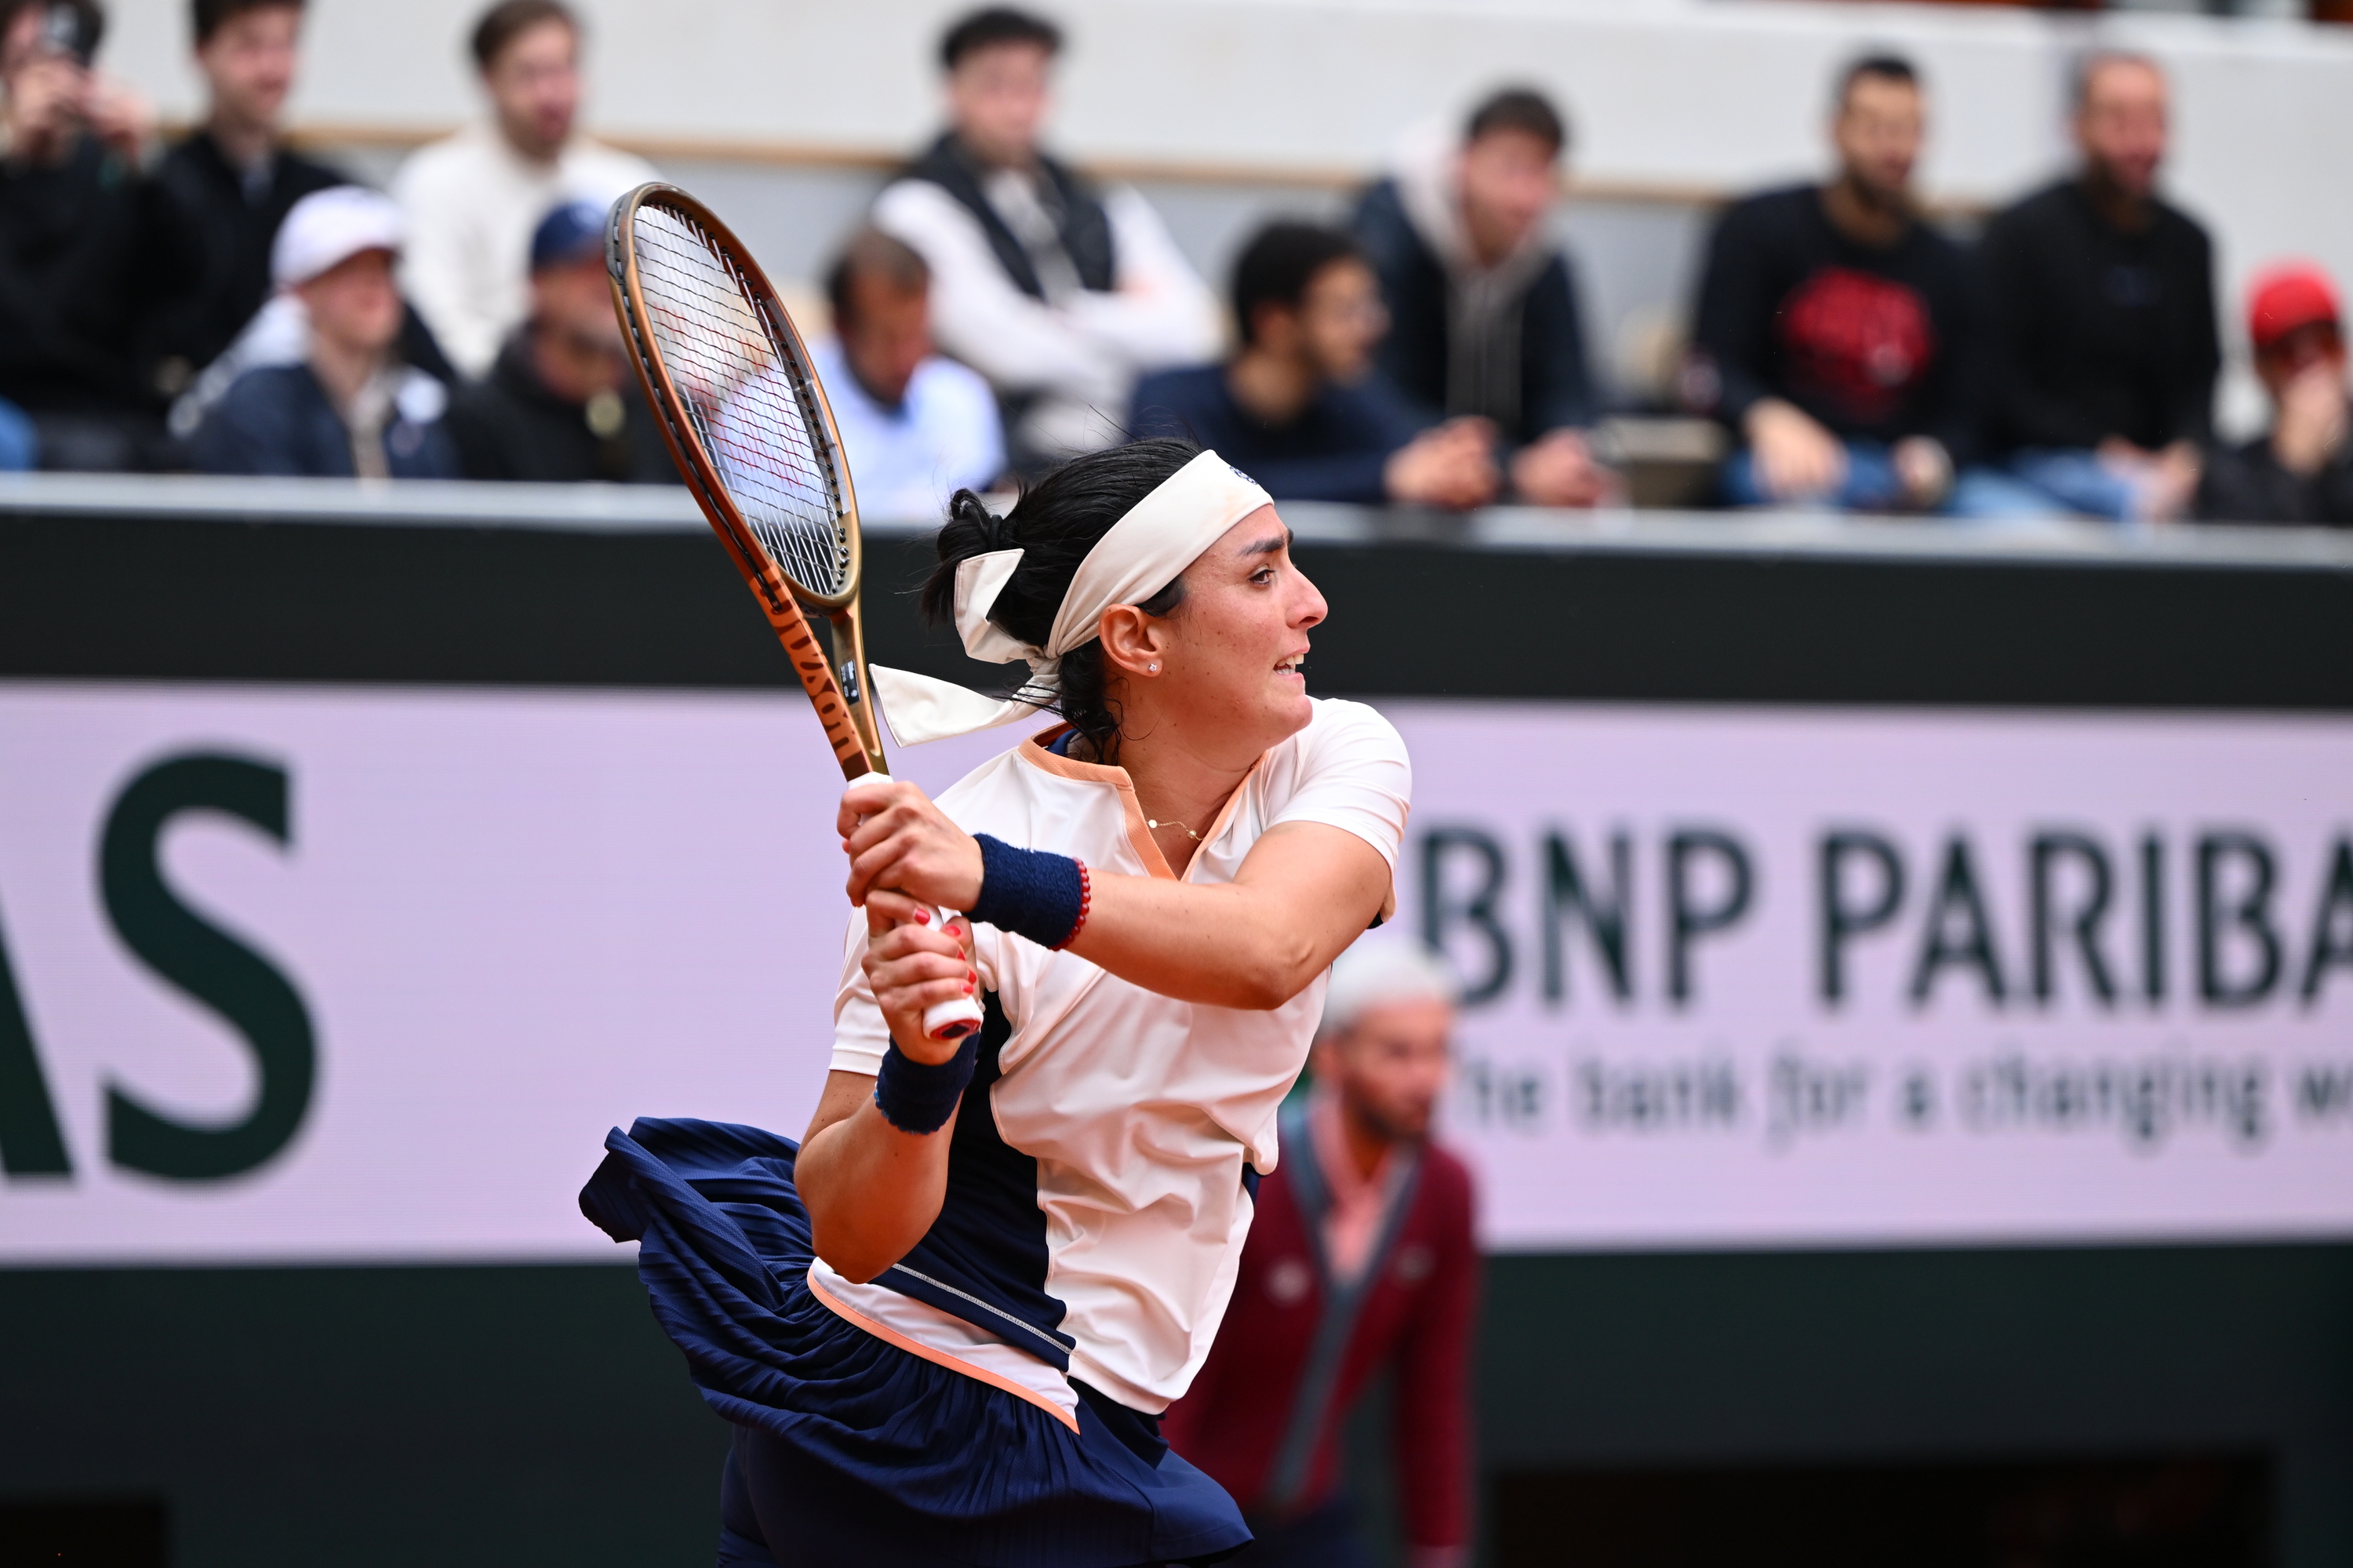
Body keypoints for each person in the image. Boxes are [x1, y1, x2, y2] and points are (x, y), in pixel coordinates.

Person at [581, 438, 1413, 1566]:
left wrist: (988, 879)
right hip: (927, 1425)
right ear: (1135, 636)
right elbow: (846, 1225)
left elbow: (1270, 948)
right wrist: (921, 1083)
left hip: (1064, 1425)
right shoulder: (962, 846)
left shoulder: (1334, 750)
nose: (1310, 604)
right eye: (1262, 576)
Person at [1164, 940, 1478, 1568]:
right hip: (1194, 1515)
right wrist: (1158, 1533)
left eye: (1439, 1051)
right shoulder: (1255, 1170)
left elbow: (1431, 1395)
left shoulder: (1445, 1191)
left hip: (1312, 1518)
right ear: (1332, 1056)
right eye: (1398, 1051)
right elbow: (1178, 1378)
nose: (1425, 1077)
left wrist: (1439, 1552)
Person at [871, 7, 1219, 474]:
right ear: (953, 92)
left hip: (1132, 453)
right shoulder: (916, 209)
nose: (1017, 108)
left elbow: (1193, 331)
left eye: (1032, 86)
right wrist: (1132, 334)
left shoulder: (1099, 202)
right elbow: (1005, 352)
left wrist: (1069, 315)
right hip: (1002, 465)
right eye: (996, 87)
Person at [1687, 54, 2017, 517]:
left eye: (1910, 129)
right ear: (1834, 129)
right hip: (1789, 466)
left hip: (1907, 478)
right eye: (1874, 127)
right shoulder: (1759, 229)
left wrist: (1938, 456)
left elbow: (1977, 407)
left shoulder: (1954, 266)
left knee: (2023, 530)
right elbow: (1705, 369)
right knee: (1808, 534)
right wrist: (1764, 418)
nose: (1894, 148)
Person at [1977, 51, 2220, 523]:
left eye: (2155, 120)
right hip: (2040, 463)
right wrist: (2105, 452)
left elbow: (2203, 377)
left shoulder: (2189, 244)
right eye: (2119, 120)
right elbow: (2000, 388)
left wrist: (2187, 452)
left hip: (2158, 471)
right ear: (2076, 126)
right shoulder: (2021, 235)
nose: (2140, 141)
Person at [1351, 88, 1609, 508]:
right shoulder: (1385, 244)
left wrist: (1567, 450)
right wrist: (1514, 467)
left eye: (1544, 171)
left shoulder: (1545, 260)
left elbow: (1570, 385)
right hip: (1394, 488)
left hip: (1509, 488)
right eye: (1512, 167)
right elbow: (1369, 394)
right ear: (1464, 162)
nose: (1528, 196)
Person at [1129, 222, 1499, 509]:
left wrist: (1460, 464)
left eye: (1371, 305)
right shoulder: (1168, 398)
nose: (1374, 325)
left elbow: (1413, 458)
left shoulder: (1353, 399)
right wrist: (1384, 478)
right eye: (1346, 311)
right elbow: (1195, 495)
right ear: (1274, 323)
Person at [391, 0, 654, 379]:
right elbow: (438, 327)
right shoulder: (435, 182)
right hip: (488, 408)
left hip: (621, 400)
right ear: (487, 80)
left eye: (563, 70)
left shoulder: (627, 183)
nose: (552, 95)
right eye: (529, 74)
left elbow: (680, 324)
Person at [141, 0, 344, 404]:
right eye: (249, 47)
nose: (271, 70)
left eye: (286, 44)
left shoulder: (327, 195)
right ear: (201, 53)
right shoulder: (160, 188)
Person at [0, 0, 165, 471]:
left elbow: (189, 282)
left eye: (62, 62)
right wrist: (15, 160)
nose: (49, 82)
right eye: (26, 62)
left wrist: (145, 169)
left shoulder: (119, 177)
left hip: (109, 416)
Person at [195, 186, 457, 478]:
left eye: (384, 268)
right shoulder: (261, 404)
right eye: (347, 269)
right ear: (299, 290)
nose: (373, 284)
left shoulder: (420, 411)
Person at [443, 201, 674, 483]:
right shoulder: (476, 420)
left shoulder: (668, 413)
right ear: (538, 284)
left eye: (623, 265)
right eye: (587, 266)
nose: (610, 282)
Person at [809, 226, 1006, 519]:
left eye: (917, 335)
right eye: (888, 338)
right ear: (842, 327)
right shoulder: (769, 414)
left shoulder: (964, 397)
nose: (907, 359)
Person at [2196, 264, 2353, 529]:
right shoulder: (2231, 474)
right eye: (2288, 354)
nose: (2313, 371)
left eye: (2327, 346)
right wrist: (2293, 469)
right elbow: (2247, 558)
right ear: (2260, 369)